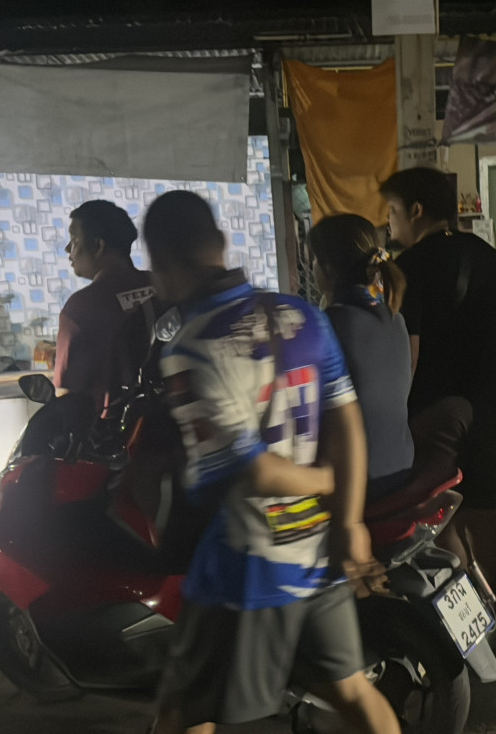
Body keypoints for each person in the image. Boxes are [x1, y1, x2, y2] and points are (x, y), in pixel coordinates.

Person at [143, 191, 398, 734]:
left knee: (184, 715)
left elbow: (253, 471)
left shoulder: (189, 349)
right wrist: (349, 522)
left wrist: (326, 480)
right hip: (318, 549)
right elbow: (348, 422)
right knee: (354, 692)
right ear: (219, 243)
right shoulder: (299, 314)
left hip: (244, 569)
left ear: (160, 265)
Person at [382, 167, 496, 610]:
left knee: (442, 518)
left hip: (434, 412)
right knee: (482, 513)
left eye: (393, 211)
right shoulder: (487, 256)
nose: (389, 222)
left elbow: (410, 350)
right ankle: (492, 614)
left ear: (416, 211)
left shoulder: (408, 268)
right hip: (487, 406)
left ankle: (464, 619)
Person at [307, 214, 472, 502]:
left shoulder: (328, 326)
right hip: (400, 471)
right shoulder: (395, 320)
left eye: (314, 260)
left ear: (328, 268)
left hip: (357, 484)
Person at [55, 200, 155, 411]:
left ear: (98, 246)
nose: (67, 249)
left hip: (114, 427)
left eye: (74, 239)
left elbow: (67, 397)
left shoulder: (81, 309)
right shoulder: (163, 286)